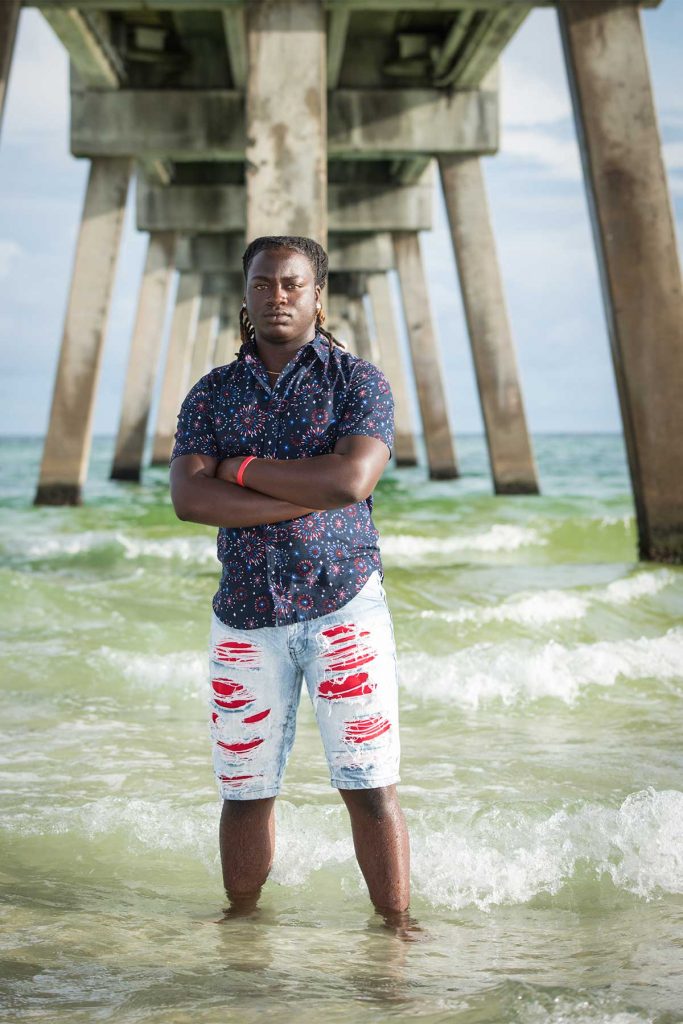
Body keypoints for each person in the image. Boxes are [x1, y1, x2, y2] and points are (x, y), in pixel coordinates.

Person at [169, 235, 411, 929]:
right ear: (244, 294)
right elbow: (190, 500)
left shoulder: (356, 381)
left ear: (316, 295)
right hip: (244, 614)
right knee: (245, 789)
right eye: (264, 283)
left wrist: (238, 469)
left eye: (292, 284)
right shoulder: (211, 394)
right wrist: (310, 492)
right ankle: (240, 928)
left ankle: (394, 932)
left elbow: (351, 479)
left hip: (345, 606)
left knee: (368, 786)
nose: (277, 295)